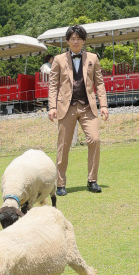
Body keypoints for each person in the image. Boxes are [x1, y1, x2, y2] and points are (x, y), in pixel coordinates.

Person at [47, 24, 108, 195]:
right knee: (63, 145)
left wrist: (103, 105)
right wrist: (52, 107)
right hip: (66, 108)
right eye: (72, 38)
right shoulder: (59, 60)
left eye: (79, 38)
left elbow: (100, 83)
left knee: (94, 140)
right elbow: (53, 85)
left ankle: (92, 180)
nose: (76, 41)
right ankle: (60, 184)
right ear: (67, 41)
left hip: (88, 107)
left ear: (83, 41)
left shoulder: (93, 58)